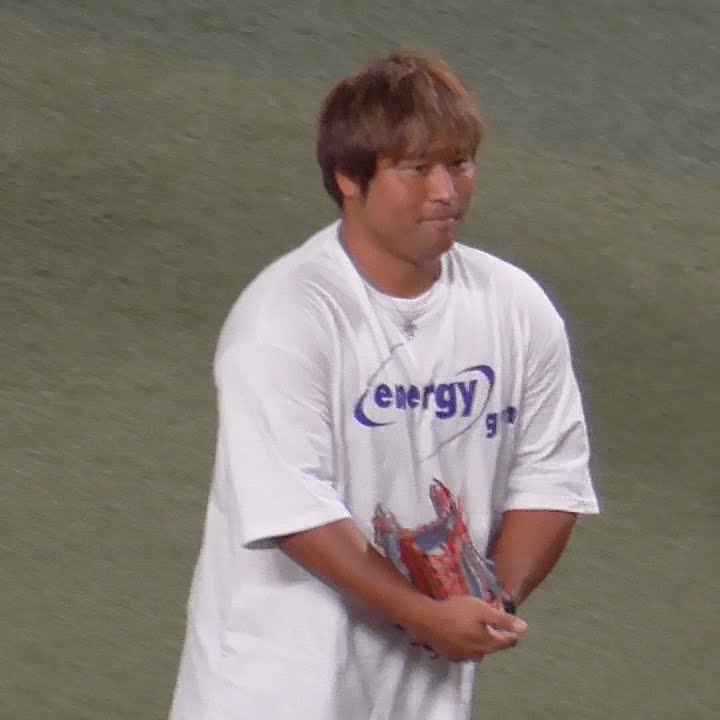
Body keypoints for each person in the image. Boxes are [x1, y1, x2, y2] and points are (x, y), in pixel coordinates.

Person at [167, 49, 600, 720]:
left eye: (460, 163)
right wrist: (422, 614)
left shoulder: (516, 308)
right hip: (276, 691)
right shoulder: (285, 317)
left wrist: (493, 601)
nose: (446, 191)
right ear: (349, 177)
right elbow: (296, 510)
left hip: (424, 697)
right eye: (416, 169)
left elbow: (551, 476)